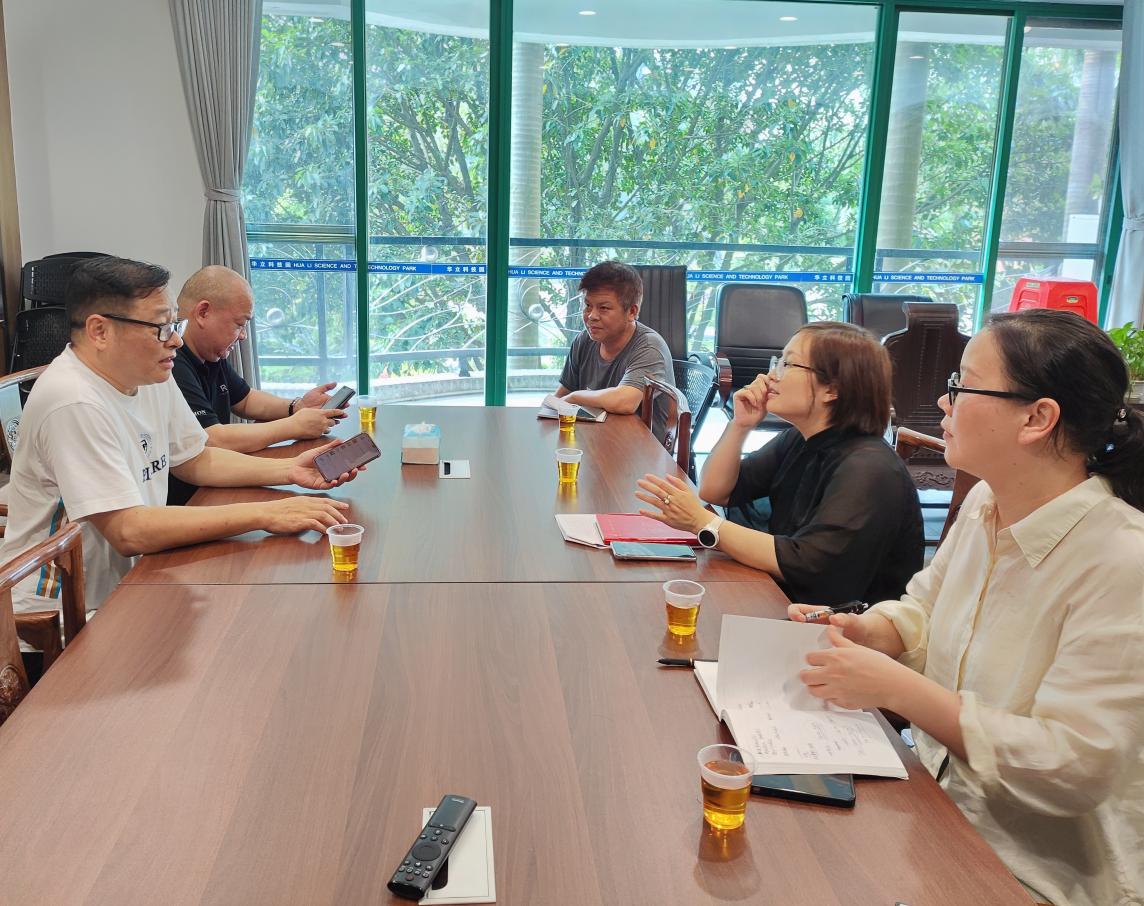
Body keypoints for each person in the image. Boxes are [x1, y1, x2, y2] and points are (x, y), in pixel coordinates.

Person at [791, 310, 1144, 906]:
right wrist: (869, 629)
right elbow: (925, 609)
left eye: (962, 384)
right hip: (936, 803)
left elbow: (1072, 765)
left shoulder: (1121, 560)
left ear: (1037, 418)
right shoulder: (986, 500)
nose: (942, 399)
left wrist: (896, 688)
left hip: (1036, 872)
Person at [0, 256, 361, 615]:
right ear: (100, 331)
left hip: (133, 579)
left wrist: (289, 471)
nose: (175, 340)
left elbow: (195, 458)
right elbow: (129, 530)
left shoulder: (150, 374)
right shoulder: (72, 400)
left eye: (175, 324)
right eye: (160, 327)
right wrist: (266, 514)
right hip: (59, 614)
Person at [637, 321, 922, 605]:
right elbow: (716, 491)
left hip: (838, 622)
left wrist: (704, 523)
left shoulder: (868, 469)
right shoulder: (802, 439)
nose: (771, 375)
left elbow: (807, 562)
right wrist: (740, 425)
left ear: (832, 389)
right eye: (778, 362)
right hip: (788, 599)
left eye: (788, 364)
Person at [169, 265, 345, 504]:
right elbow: (211, 438)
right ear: (203, 313)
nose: (243, 336)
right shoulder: (172, 362)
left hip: (215, 481)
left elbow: (245, 399)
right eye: (239, 324)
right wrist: (294, 426)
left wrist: (297, 406)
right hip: (188, 499)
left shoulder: (210, 354)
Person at [554, 260, 676, 439]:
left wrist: (576, 397)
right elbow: (562, 395)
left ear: (632, 312)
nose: (591, 316)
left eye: (603, 308)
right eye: (588, 306)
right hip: (596, 439)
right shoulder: (584, 340)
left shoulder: (649, 347)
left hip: (641, 448)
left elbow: (625, 402)